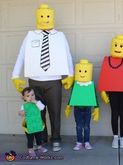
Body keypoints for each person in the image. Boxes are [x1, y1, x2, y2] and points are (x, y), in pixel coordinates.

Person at [12, 4, 74, 152]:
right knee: (38, 113)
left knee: (55, 111)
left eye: (47, 16)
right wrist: (15, 75)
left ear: (52, 17)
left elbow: (67, 55)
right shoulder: (31, 35)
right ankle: (42, 139)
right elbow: (21, 55)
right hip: (34, 81)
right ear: (37, 17)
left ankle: (56, 138)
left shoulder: (59, 36)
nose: (45, 19)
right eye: (42, 16)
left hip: (54, 81)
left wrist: (70, 74)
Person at [98, 34, 123, 149]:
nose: (118, 47)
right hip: (112, 91)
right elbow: (104, 75)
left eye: (121, 45)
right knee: (114, 113)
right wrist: (103, 91)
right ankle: (115, 137)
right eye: (116, 45)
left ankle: (122, 137)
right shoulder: (107, 60)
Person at [65, 59, 99, 150]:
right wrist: (68, 106)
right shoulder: (76, 84)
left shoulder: (90, 85)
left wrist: (96, 108)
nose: (83, 73)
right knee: (79, 126)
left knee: (87, 126)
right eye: (80, 71)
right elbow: (72, 95)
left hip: (88, 108)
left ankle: (87, 142)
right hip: (77, 108)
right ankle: (79, 142)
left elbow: (94, 96)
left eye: (85, 71)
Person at [19, 87, 48, 157]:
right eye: (28, 96)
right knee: (30, 139)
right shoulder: (24, 106)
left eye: (32, 95)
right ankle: (30, 150)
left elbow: (42, 108)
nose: (31, 97)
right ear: (24, 98)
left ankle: (39, 147)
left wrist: (36, 102)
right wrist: (21, 113)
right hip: (29, 125)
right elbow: (22, 113)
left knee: (39, 137)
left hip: (37, 123)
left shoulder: (38, 103)